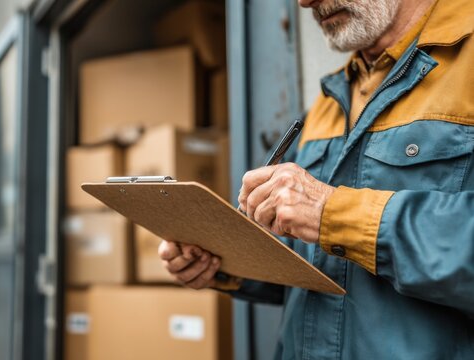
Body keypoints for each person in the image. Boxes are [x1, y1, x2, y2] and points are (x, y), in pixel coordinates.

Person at [159, 0, 474, 358]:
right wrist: (223, 260)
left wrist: (332, 213)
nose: (304, 2)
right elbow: (318, 265)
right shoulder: (332, 96)